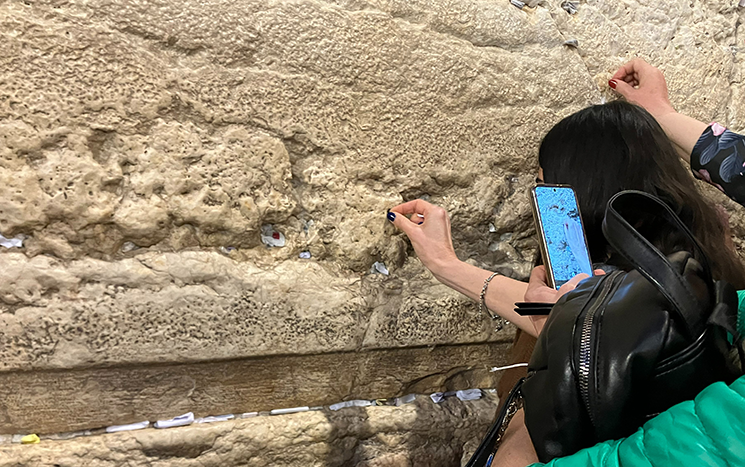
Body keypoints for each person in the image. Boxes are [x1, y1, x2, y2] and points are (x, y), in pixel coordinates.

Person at [497, 58, 745, 467]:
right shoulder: (699, 275)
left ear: (588, 189)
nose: (539, 196)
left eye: (545, 182)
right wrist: (663, 113)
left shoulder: (641, 307)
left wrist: (521, 438)